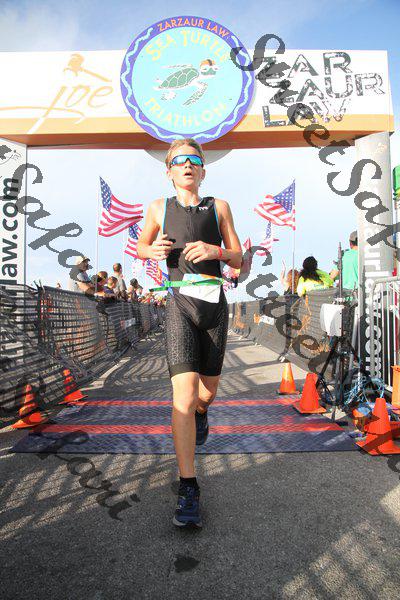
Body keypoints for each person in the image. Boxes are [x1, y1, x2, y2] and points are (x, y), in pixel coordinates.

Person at [137, 138, 242, 528]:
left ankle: (203, 411)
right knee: (182, 397)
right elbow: (141, 246)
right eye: (178, 161)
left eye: (193, 160)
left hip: (214, 304)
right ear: (169, 171)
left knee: (206, 393)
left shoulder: (220, 207)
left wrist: (217, 252)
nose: (186, 165)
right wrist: (150, 251)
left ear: (202, 170)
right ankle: (188, 487)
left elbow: (238, 257)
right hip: (179, 303)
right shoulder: (158, 208)